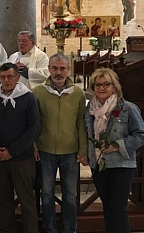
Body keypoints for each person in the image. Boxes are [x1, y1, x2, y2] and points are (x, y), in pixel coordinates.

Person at [85, 68, 144, 233]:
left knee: (118, 210)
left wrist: (117, 145)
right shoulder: (89, 110)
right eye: (97, 85)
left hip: (121, 165)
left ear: (115, 86)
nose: (102, 88)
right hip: (99, 164)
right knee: (108, 209)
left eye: (106, 84)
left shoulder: (127, 108)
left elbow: (141, 135)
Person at [32, 53, 88, 233]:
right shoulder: (38, 92)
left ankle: (70, 229)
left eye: (62, 68)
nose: (58, 72)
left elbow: (81, 122)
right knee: (47, 194)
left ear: (68, 70)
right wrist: (34, 146)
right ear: (48, 69)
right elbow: (34, 122)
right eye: (54, 68)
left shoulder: (78, 93)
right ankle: (49, 229)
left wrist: (83, 149)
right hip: (46, 150)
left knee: (70, 196)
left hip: (70, 152)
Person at [0, 63, 40, 233]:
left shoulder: (28, 98)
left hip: (22, 158)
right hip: (0, 158)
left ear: (17, 77)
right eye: (3, 77)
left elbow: (34, 129)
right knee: (3, 200)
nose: (6, 80)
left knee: (26, 200)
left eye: (10, 76)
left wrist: (12, 151)